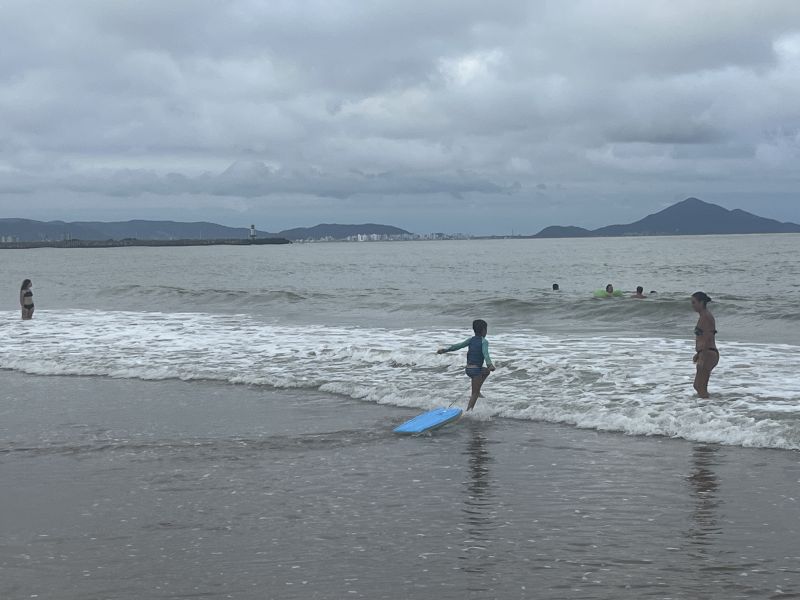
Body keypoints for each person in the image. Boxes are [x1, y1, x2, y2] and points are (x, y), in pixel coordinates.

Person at [437, 319, 495, 411]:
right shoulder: (484, 341)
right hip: (476, 371)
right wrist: (489, 364)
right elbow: (485, 354)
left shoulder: (471, 340)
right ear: (484, 330)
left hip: (468, 369)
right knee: (474, 394)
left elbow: (458, 346)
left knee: (486, 371)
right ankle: (468, 411)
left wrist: (445, 350)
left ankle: (478, 390)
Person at [691, 291, 718, 399]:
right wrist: (698, 353)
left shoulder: (706, 317)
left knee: (699, 386)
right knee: (699, 386)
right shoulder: (703, 316)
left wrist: (703, 354)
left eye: (694, 302)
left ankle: (709, 409)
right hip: (705, 352)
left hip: (708, 353)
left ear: (701, 302)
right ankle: (707, 408)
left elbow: (708, 336)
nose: (692, 305)